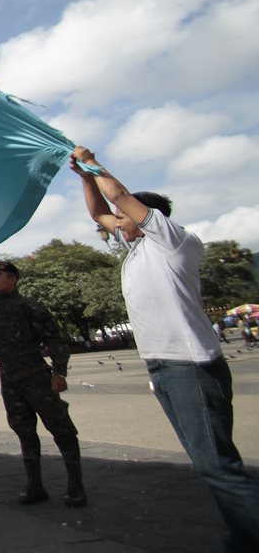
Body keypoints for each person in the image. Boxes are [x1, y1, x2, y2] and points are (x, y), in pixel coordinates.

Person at [71, 146, 259, 550]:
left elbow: (119, 199)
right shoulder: (138, 247)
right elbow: (99, 212)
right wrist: (84, 178)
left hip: (188, 365)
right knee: (209, 461)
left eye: (123, 219)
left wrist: (95, 164)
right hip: (163, 367)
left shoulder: (173, 241)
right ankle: (242, 534)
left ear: (145, 217)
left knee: (216, 464)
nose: (116, 224)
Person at [0, 257, 85, 507]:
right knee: (24, 431)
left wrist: (59, 372)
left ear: (12, 280)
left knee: (61, 429)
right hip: (10, 378)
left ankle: (76, 486)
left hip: (35, 375)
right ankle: (35, 485)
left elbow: (54, 340)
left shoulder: (30, 307)